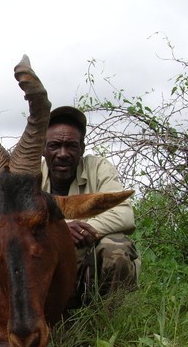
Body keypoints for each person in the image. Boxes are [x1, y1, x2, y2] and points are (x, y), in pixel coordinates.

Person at [41, 106, 140, 306]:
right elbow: (13, 224)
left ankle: (108, 323)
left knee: (116, 248)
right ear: (43, 149)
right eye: (54, 146)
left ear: (82, 148)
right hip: (44, 266)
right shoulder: (29, 175)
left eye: (71, 145)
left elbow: (125, 215)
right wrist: (61, 231)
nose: (62, 154)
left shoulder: (98, 168)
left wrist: (81, 230)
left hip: (86, 263)